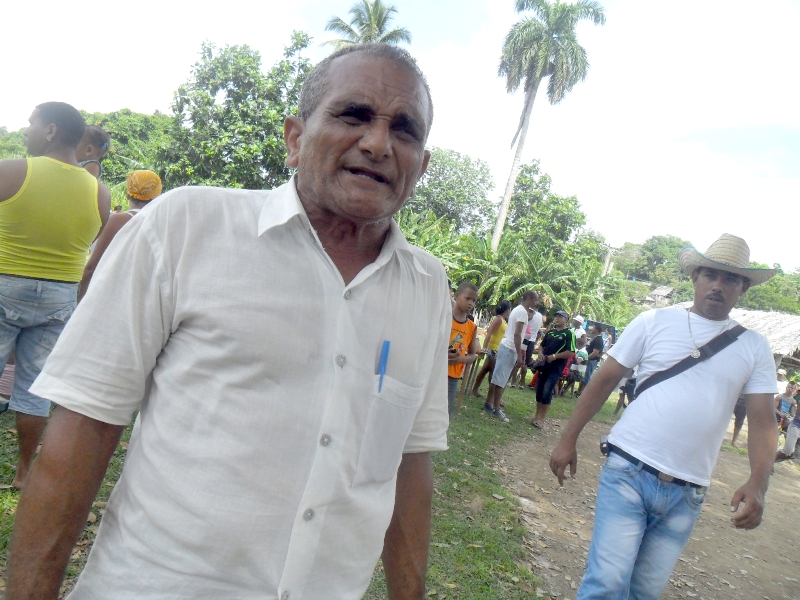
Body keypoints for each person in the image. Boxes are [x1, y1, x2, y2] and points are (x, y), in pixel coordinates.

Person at [8, 44, 448, 600]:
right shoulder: (185, 227)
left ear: (420, 166)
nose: (378, 143)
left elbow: (409, 462)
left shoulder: (426, 286)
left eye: (404, 129)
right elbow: (83, 430)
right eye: (353, 115)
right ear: (295, 138)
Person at [550, 233, 779, 600]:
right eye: (710, 274)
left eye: (730, 279)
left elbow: (764, 422)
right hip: (629, 470)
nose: (718, 285)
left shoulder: (754, 347)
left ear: (744, 288)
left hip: (688, 491)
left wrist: (758, 483)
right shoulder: (653, 321)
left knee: (645, 592)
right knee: (607, 583)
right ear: (695, 277)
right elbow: (604, 380)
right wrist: (567, 438)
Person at [0, 102, 110, 491]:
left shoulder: (13, 170)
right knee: (33, 388)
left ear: (50, 131)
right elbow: (89, 241)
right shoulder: (100, 193)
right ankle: (24, 472)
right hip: (59, 296)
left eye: (31, 123)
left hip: (5, 284)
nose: (25, 130)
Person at [79, 170, 162, 301]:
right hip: (144, 302)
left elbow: (91, 269)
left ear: (128, 194)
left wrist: (79, 302)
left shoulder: (118, 220)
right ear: (157, 196)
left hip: (112, 299)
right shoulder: (162, 224)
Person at [485, 291, 540, 422]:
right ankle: (496, 408)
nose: (537, 303)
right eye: (536, 300)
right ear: (530, 298)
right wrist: (520, 355)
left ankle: (489, 403)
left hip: (506, 345)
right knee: (501, 380)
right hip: (510, 348)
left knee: (497, 377)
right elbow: (517, 334)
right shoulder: (522, 312)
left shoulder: (517, 309)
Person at [530, 310, 575, 428]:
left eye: (560, 317)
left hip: (556, 368)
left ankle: (542, 419)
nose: (557, 318)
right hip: (544, 365)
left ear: (566, 319)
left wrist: (555, 356)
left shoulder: (569, 333)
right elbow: (542, 345)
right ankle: (536, 416)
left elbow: (571, 352)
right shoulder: (550, 332)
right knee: (539, 390)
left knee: (547, 391)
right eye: (556, 316)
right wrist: (540, 353)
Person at [448, 282, 479, 415]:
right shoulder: (444, 317)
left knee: (444, 414)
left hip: (452, 377)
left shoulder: (472, 327)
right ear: (456, 296)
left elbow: (473, 355)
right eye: (467, 299)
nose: (470, 303)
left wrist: (459, 359)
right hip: (434, 371)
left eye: (474, 300)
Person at [471, 300, 511, 397]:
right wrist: (485, 347)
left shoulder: (502, 320)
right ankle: (492, 397)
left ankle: (475, 390)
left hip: (497, 348)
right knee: (493, 372)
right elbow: (489, 332)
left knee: (485, 370)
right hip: (493, 348)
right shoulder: (499, 319)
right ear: (507, 310)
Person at [577, 324, 604, 395]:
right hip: (589, 360)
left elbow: (595, 352)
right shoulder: (595, 338)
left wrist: (586, 358)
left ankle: (583, 393)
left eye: (593, 327)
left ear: (596, 329)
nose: (592, 329)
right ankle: (579, 391)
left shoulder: (598, 340)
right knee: (584, 376)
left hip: (591, 361)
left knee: (586, 377)